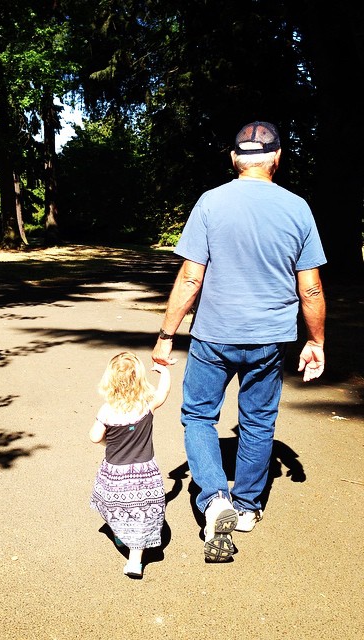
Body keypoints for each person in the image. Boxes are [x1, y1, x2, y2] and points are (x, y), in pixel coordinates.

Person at [151, 121, 327, 563]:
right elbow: (310, 288)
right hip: (270, 340)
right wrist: (316, 341)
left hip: (213, 336)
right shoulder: (298, 208)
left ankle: (213, 499)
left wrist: (166, 336)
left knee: (198, 416)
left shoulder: (211, 202)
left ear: (233, 159)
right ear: (277, 158)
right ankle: (247, 507)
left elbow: (192, 278)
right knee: (258, 421)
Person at [89, 351, 171, 578]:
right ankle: (135, 561)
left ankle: (120, 533)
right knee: (141, 516)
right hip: (145, 474)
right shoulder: (146, 406)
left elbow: (95, 437)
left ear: (110, 381)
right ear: (141, 379)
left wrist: (109, 440)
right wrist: (164, 371)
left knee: (115, 507)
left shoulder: (107, 410)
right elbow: (163, 392)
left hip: (116, 474)